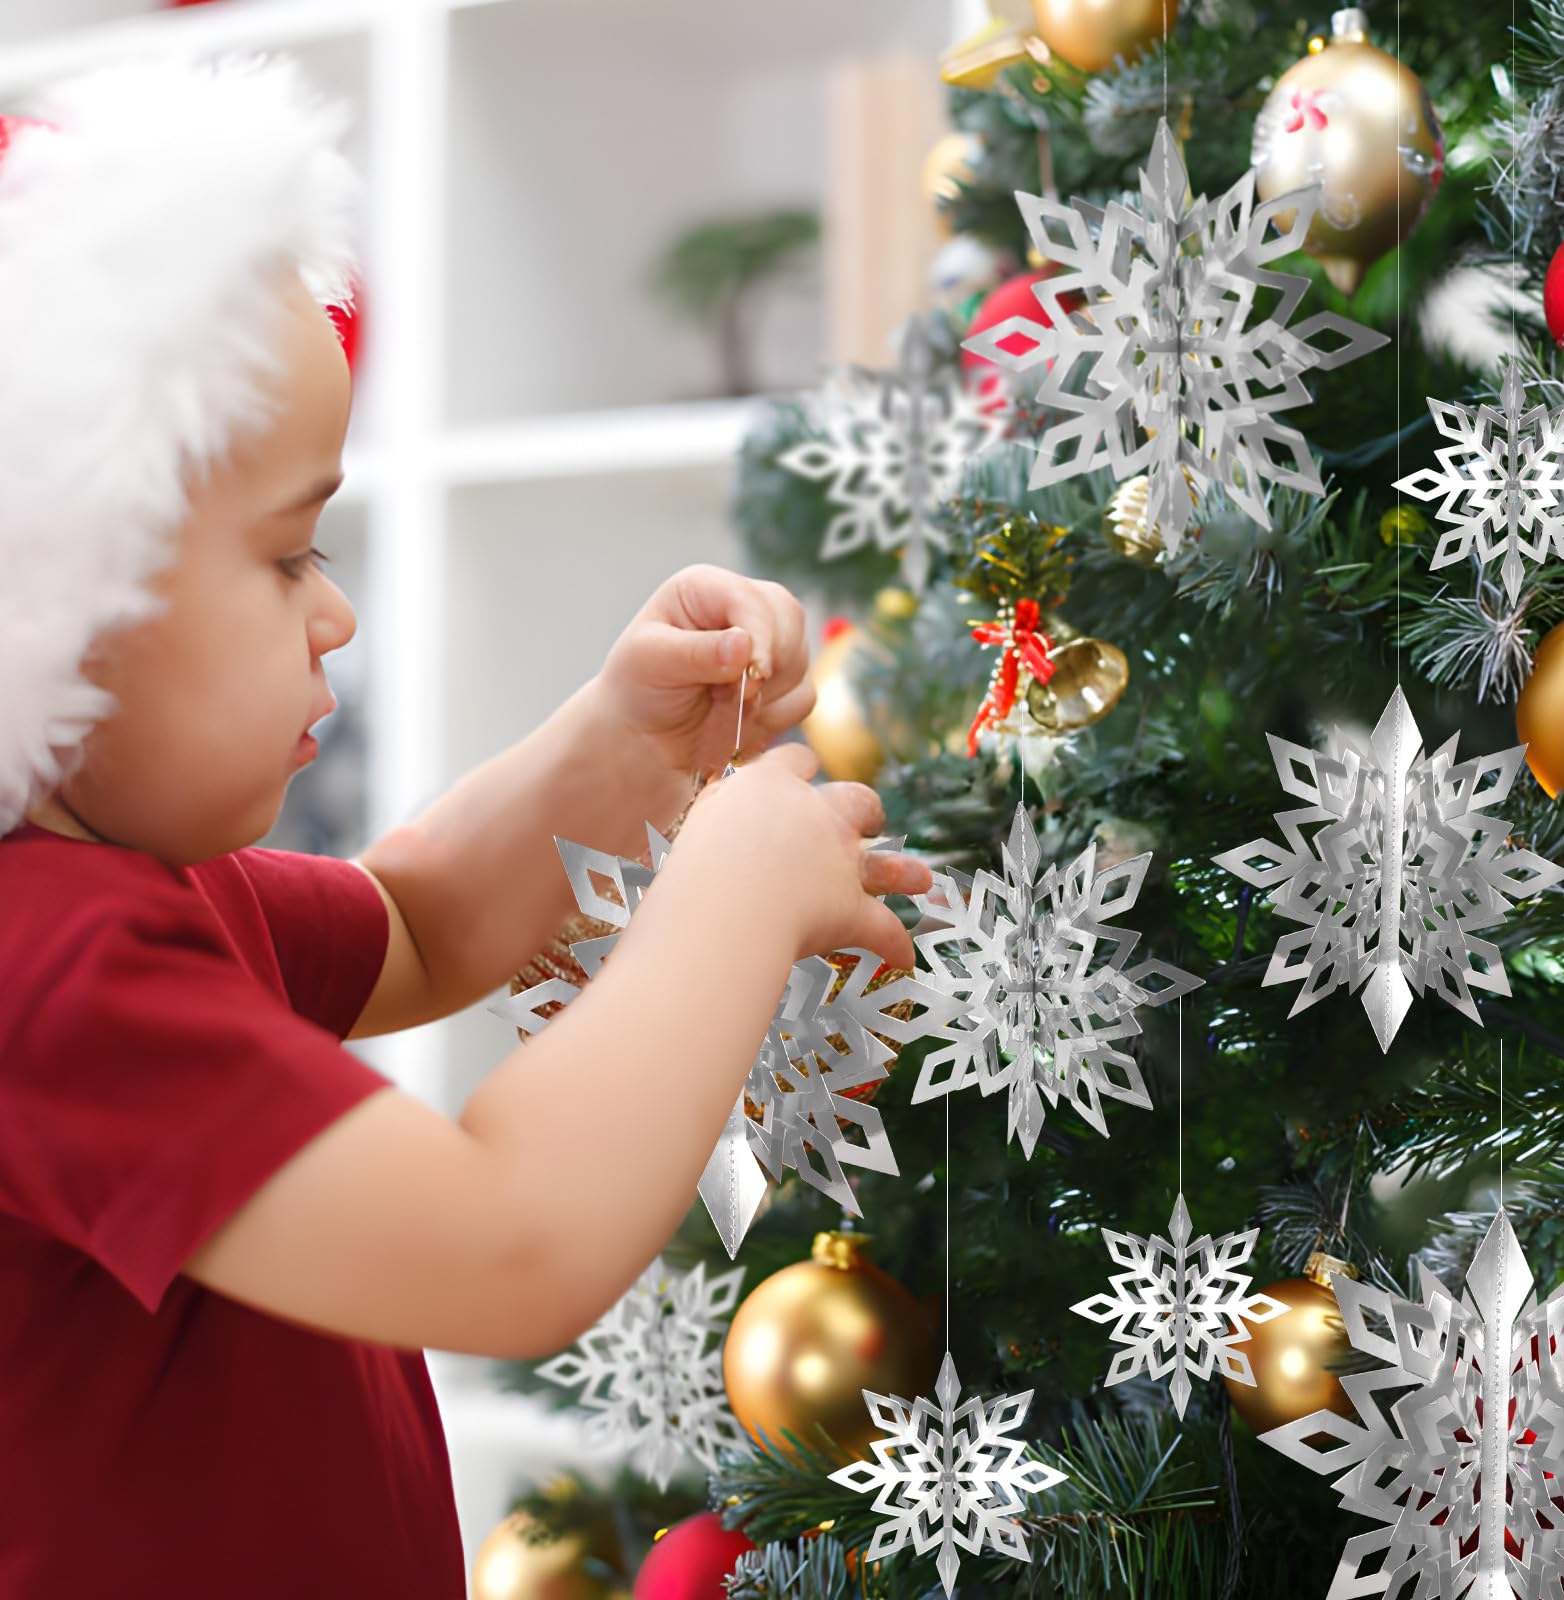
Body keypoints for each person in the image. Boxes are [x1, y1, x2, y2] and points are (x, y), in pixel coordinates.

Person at [0, 52, 931, 1599]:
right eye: (291, 554)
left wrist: (618, 740)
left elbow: (419, 919)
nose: (336, 613)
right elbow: (508, 1247)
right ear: (60, 606)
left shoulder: (143, 894)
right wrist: (733, 894)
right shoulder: (50, 980)